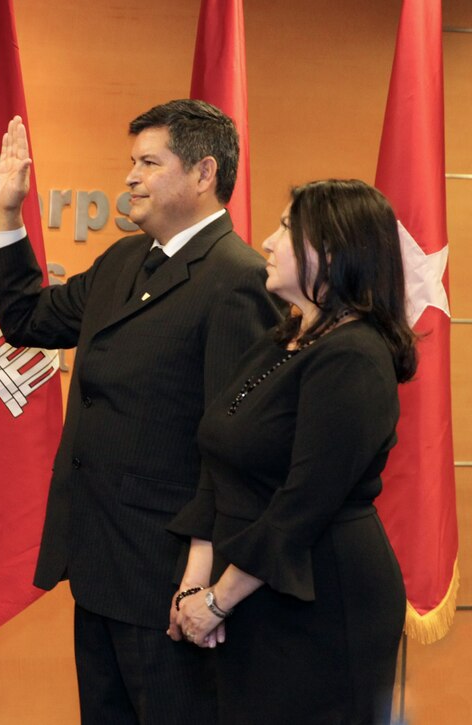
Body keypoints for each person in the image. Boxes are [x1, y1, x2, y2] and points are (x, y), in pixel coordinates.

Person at [0, 100, 282, 723]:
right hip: (98, 561)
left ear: (202, 173)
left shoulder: (237, 278)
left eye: (148, 162)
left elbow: (235, 447)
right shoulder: (124, 260)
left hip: (167, 577)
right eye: (130, 162)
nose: (130, 178)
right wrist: (7, 214)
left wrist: (205, 574)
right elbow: (27, 318)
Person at [169, 179, 416, 723]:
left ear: (334, 253)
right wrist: (196, 581)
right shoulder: (286, 337)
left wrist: (216, 601)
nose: (268, 241)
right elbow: (219, 458)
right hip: (252, 590)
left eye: (286, 228)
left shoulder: (354, 356)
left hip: (322, 604)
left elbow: (302, 506)